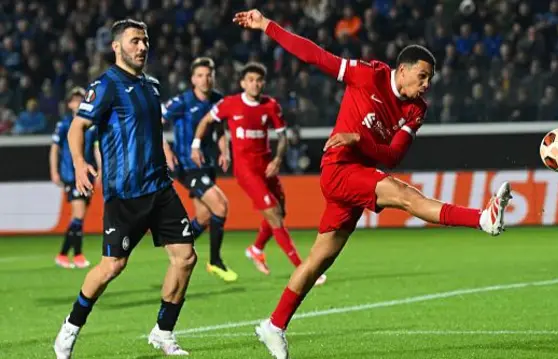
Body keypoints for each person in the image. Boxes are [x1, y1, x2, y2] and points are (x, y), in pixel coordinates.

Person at [232, 9, 512, 359]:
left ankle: (273, 325)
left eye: (430, 80)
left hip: (359, 174)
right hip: (338, 170)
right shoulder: (367, 75)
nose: (426, 86)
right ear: (403, 70)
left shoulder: (416, 109)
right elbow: (314, 55)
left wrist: (358, 140)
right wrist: (266, 26)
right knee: (405, 195)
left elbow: (393, 156)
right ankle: (482, 219)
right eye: (422, 77)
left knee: (319, 260)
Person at [54, 19, 196, 358]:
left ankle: (163, 331)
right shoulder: (106, 85)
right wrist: (77, 162)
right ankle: (69, 329)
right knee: (112, 267)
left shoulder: (151, 86)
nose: (142, 47)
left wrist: (165, 151)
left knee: (185, 257)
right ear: (117, 46)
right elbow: (78, 127)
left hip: (160, 187)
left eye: (145, 41)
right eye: (135, 41)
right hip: (125, 193)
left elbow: (152, 130)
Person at [192, 62, 326, 286]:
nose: (255, 84)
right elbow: (207, 120)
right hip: (246, 171)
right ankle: (303, 268)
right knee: (273, 213)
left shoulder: (270, 106)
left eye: (259, 80)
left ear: (263, 83)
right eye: (251, 80)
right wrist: (196, 144)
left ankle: (256, 249)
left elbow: (282, 137)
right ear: (243, 83)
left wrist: (277, 159)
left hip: (267, 167)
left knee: (280, 211)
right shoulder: (230, 104)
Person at [162, 57, 237, 282]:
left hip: (207, 164)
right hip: (186, 165)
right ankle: (215, 261)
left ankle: (179, 249)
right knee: (221, 206)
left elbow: (221, 128)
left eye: (209, 75)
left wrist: (225, 151)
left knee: (203, 216)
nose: (206, 79)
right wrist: (167, 152)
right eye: (201, 75)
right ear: (193, 79)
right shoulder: (182, 101)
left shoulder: (218, 100)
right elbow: (155, 124)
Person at [50, 87, 100, 269]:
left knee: (79, 218)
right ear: (69, 104)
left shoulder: (91, 124)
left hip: (87, 175)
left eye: (81, 99)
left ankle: (64, 255)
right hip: (71, 175)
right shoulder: (64, 124)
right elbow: (55, 149)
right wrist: (54, 172)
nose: (78, 103)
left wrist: (100, 168)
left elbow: (96, 147)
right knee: (78, 216)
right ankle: (75, 254)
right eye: (75, 100)